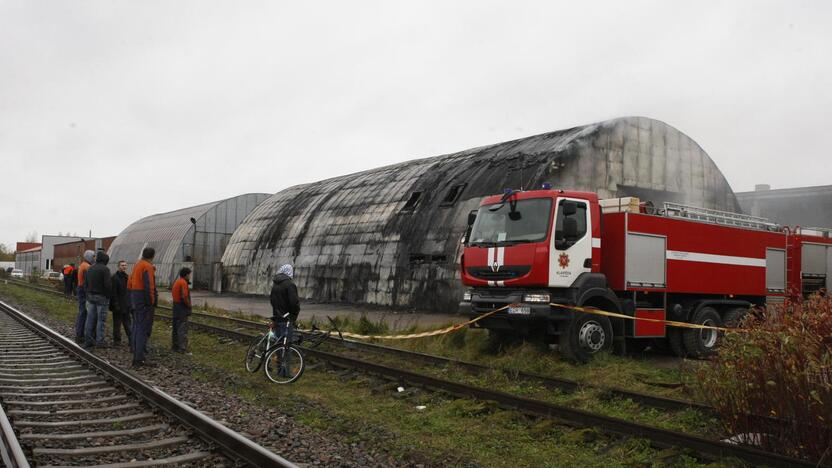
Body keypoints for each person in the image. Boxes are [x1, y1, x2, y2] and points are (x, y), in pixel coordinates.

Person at [128, 247, 157, 367]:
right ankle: (139, 358)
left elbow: (130, 282)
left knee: (136, 326)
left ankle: (135, 351)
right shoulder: (147, 267)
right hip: (143, 300)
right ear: (152, 256)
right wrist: (151, 302)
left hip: (135, 297)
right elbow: (149, 286)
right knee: (142, 329)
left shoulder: (137, 265)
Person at [84, 251, 112, 348]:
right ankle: (100, 341)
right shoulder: (105, 270)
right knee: (101, 320)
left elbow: (86, 283)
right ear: (105, 260)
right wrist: (108, 296)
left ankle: (88, 339)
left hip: (91, 297)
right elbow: (108, 285)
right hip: (102, 297)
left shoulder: (90, 268)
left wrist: (88, 294)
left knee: (90, 319)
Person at [269, 264, 300, 342]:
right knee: (286, 344)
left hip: (277, 317)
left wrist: (276, 313)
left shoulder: (275, 284)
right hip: (286, 318)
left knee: (278, 342)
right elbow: (294, 303)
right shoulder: (290, 285)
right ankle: (285, 354)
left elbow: (272, 300)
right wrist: (294, 315)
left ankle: (277, 354)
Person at [109, 260, 132, 347]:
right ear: (118, 266)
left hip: (126, 304)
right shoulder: (114, 278)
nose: (124, 267)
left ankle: (131, 339)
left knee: (127, 323)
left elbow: (129, 291)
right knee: (117, 324)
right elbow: (113, 293)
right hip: (118, 305)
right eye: (122, 265)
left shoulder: (127, 277)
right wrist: (115, 304)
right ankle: (117, 341)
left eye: (125, 265)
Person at [74, 251, 94, 344]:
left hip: (81, 288)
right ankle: (80, 334)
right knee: (83, 312)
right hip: (83, 290)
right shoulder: (86, 266)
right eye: (93, 256)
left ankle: (79, 332)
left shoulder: (83, 265)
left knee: (81, 312)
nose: (94, 258)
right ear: (89, 257)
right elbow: (88, 282)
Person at [171, 267, 192, 353]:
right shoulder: (183, 283)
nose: (190, 276)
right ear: (186, 275)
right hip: (181, 307)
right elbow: (184, 296)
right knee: (182, 328)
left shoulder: (177, 282)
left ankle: (175, 346)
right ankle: (182, 348)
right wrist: (189, 305)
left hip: (175, 306)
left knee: (176, 327)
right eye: (189, 274)